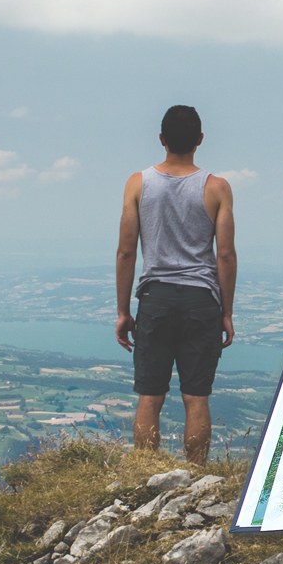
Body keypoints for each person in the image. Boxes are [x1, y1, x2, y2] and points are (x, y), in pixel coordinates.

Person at [115, 105, 236, 466]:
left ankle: (145, 473)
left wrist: (123, 311)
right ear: (199, 140)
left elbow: (126, 251)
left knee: (150, 395)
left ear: (162, 139)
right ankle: (197, 475)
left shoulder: (138, 183)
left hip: (156, 299)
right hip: (202, 301)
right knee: (196, 396)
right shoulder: (217, 188)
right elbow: (225, 255)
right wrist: (226, 313)